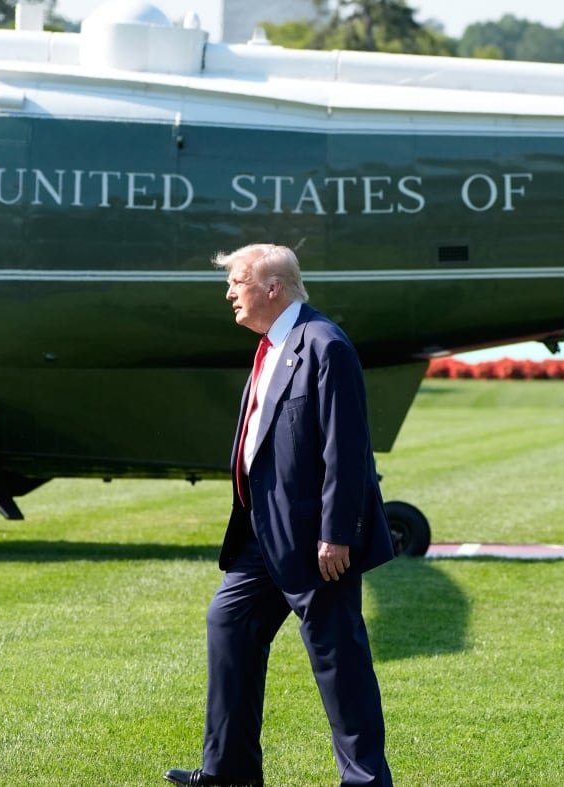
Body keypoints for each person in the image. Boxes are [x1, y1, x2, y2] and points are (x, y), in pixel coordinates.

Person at [165, 244, 396, 787]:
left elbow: (347, 450)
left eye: (237, 282)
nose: (229, 294)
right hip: (258, 533)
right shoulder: (272, 344)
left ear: (273, 288)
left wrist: (337, 534)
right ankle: (231, 773)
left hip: (316, 542)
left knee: (339, 660)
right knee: (228, 623)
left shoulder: (325, 344)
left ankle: (365, 781)